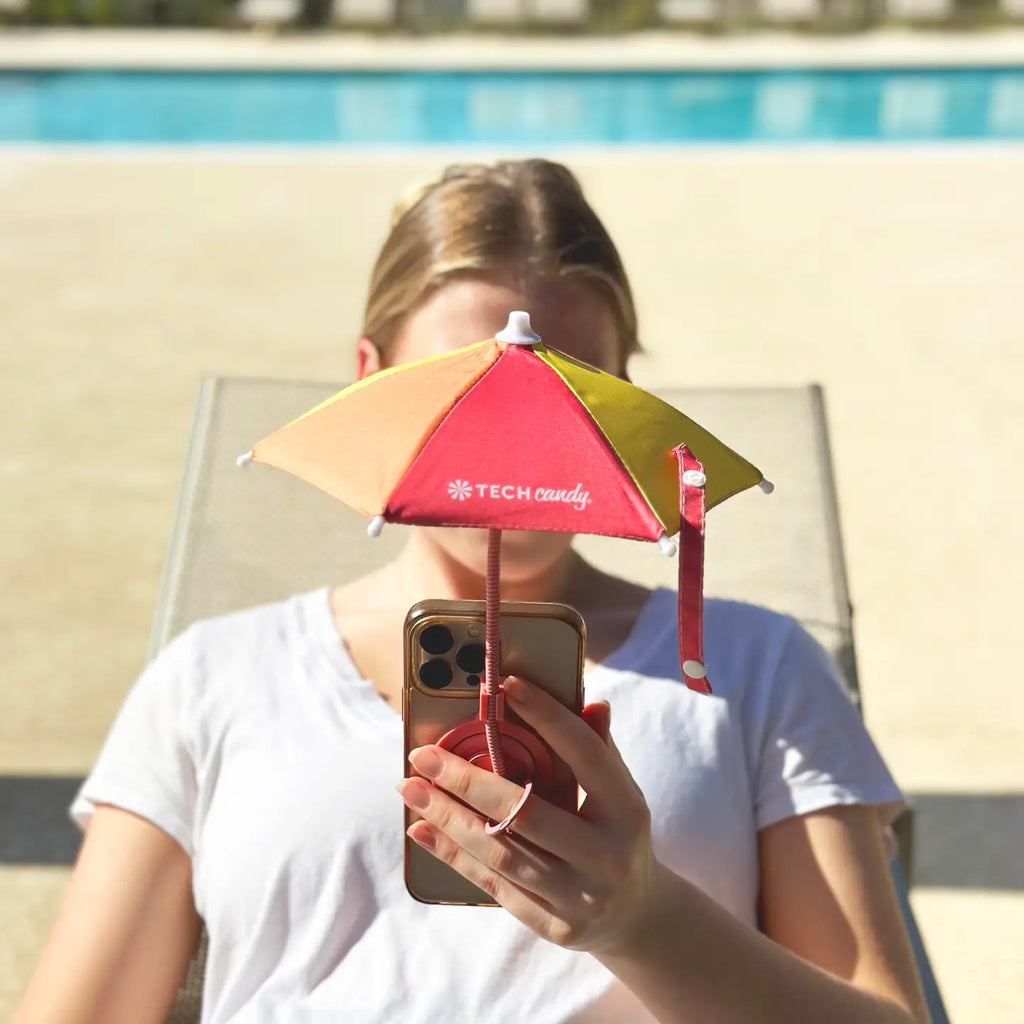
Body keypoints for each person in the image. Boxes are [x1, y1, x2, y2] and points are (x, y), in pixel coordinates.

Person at [15, 159, 930, 1024]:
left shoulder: (753, 669)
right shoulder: (217, 676)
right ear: (371, 376)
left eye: (567, 382)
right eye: (472, 381)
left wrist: (645, 921)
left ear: (621, 400)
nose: (517, 433)